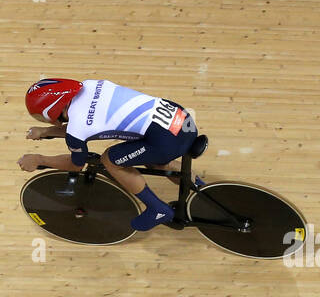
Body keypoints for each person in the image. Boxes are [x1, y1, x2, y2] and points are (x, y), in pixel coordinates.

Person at [18, 78, 204, 231]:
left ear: (51, 110)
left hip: (165, 140)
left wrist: (39, 159)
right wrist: (45, 132)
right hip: (180, 119)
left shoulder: (77, 128)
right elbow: (84, 124)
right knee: (154, 160)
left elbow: (75, 164)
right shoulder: (89, 85)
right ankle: (204, 192)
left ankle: (158, 209)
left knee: (110, 159)